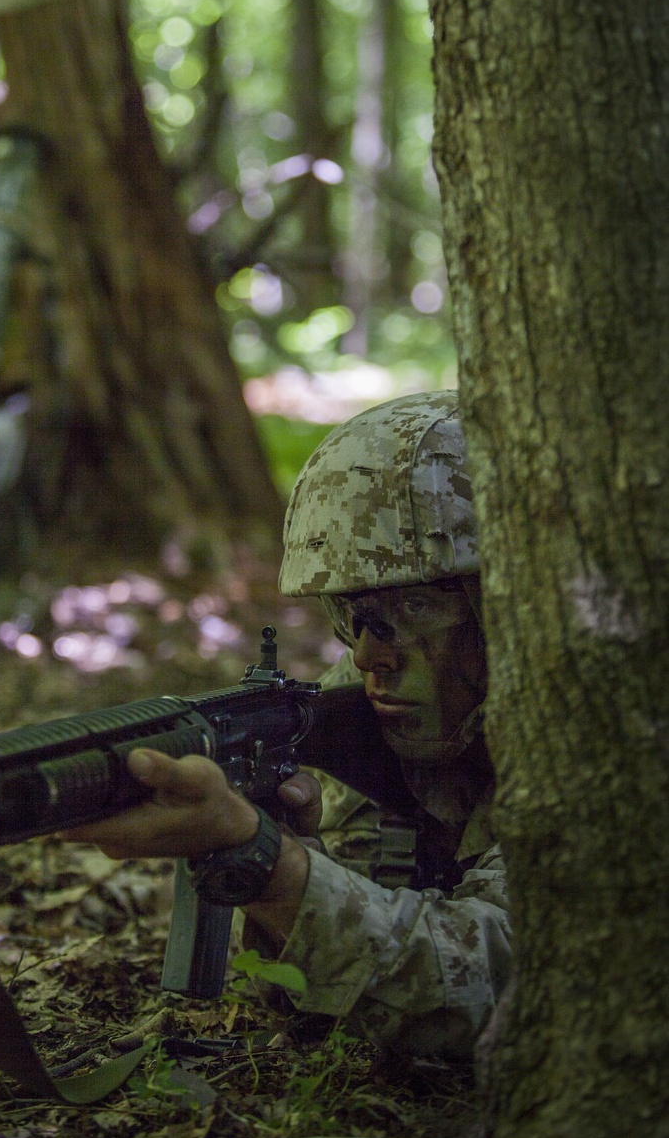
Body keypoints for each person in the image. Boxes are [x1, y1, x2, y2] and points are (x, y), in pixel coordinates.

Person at [64, 391, 509, 1059]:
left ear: (500, 606)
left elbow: (509, 995)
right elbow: (334, 998)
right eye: (352, 614)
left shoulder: (597, 734)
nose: (367, 655)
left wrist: (273, 872)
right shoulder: (361, 717)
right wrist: (295, 857)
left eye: (416, 605)